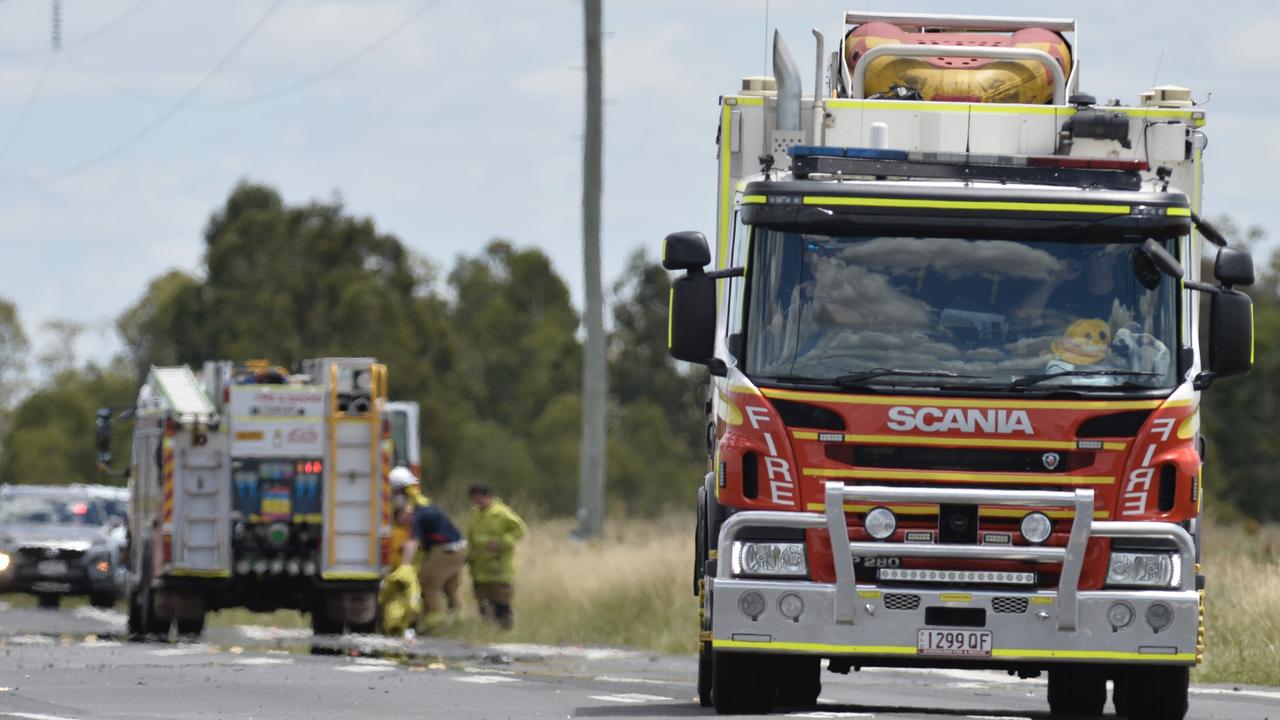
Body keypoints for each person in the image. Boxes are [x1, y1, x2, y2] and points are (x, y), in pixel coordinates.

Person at [399, 491, 467, 632]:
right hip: (459, 550)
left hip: (444, 551)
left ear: (404, 511)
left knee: (428, 585)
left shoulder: (416, 516)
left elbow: (413, 543)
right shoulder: (427, 509)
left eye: (400, 519)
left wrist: (404, 566)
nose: (402, 523)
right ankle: (458, 621)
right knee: (450, 588)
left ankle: (434, 625)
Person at [465, 483, 526, 629]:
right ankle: (487, 631)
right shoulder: (475, 513)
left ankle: (505, 630)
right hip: (480, 567)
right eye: (474, 499)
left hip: (499, 566)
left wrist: (502, 543)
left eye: (479, 498)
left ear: (487, 496)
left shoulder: (502, 513)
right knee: (483, 602)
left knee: (501, 601)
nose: (477, 502)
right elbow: (472, 537)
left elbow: (519, 530)